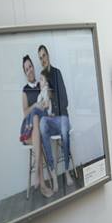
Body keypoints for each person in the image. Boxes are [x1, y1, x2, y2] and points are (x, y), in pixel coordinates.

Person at [37, 45, 75, 187]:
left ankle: (66, 171)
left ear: (48, 55)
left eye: (44, 56)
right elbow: (41, 102)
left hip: (61, 116)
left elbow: (64, 99)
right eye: (40, 58)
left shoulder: (57, 73)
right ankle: (53, 173)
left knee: (64, 131)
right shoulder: (41, 77)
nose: (42, 59)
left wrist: (55, 109)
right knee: (42, 125)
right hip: (50, 119)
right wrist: (45, 108)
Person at [20, 55, 55, 198]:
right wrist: (34, 105)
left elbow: (48, 101)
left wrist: (45, 104)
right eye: (26, 69)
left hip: (42, 126)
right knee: (34, 119)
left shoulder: (41, 84)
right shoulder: (25, 90)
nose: (29, 70)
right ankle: (42, 184)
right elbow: (25, 113)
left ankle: (39, 178)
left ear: (34, 67)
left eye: (30, 66)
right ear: (25, 72)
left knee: (38, 127)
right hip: (29, 130)